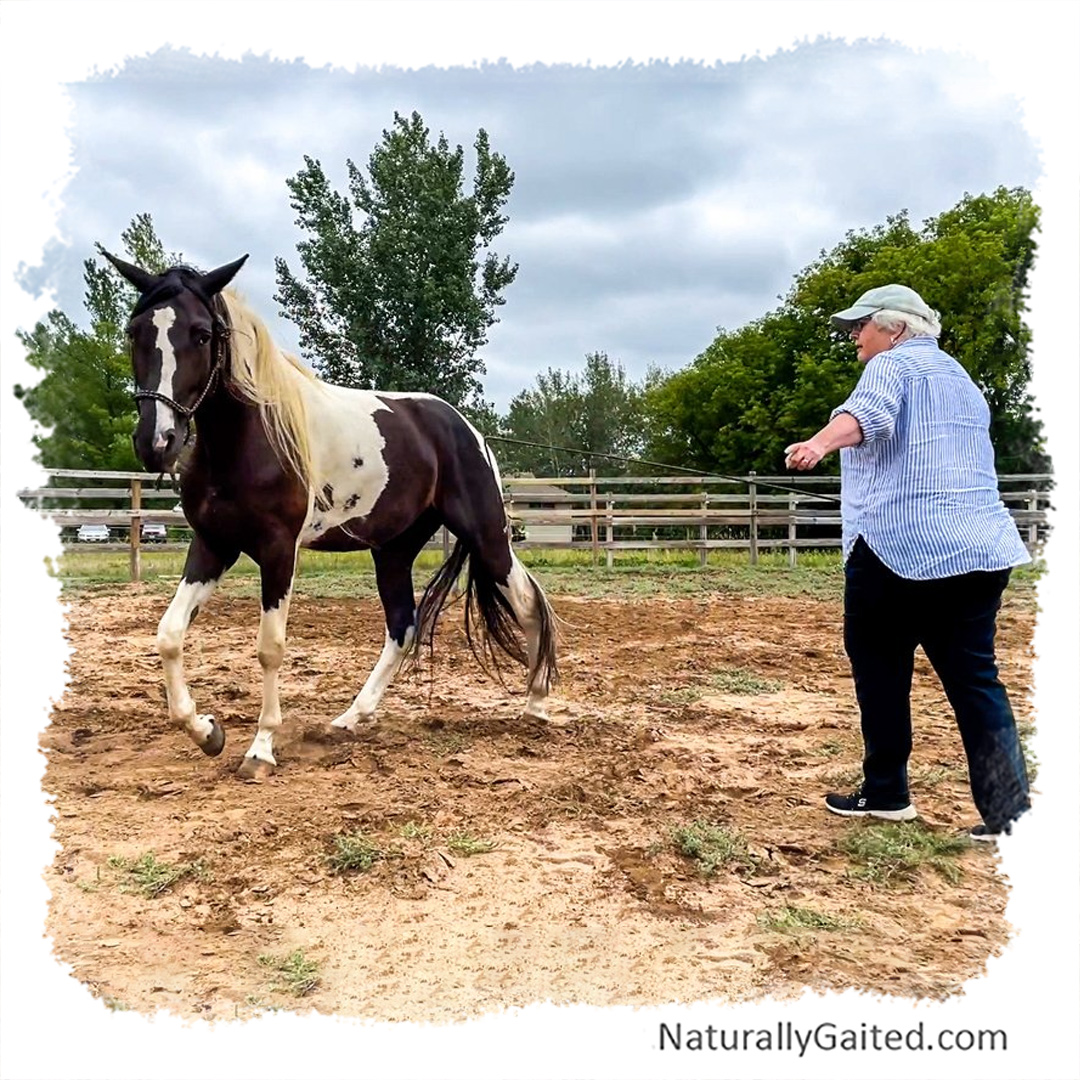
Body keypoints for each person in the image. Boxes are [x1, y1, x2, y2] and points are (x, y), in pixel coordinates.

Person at [784, 283, 1032, 841]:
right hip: (981, 548)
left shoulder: (892, 368)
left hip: (901, 550)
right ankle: (1009, 814)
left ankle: (887, 793)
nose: (854, 335)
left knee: (880, 671)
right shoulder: (963, 381)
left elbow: (863, 417)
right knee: (976, 681)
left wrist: (819, 443)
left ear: (894, 328)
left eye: (861, 324)